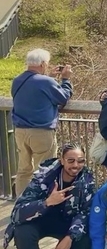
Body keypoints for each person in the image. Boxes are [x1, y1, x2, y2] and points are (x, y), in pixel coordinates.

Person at [2, 143, 94, 249]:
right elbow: (17, 212)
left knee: (88, 239)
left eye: (81, 161)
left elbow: (85, 212)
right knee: (22, 233)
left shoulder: (87, 179)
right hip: (40, 221)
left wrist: (70, 237)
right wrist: (47, 202)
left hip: (65, 221)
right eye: (71, 161)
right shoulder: (43, 177)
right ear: (62, 160)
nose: (76, 165)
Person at [11, 48, 73, 196]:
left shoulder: (17, 80)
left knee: (24, 170)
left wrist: (50, 77)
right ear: (43, 64)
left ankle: (21, 204)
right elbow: (63, 97)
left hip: (20, 131)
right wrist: (66, 79)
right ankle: (41, 203)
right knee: (45, 169)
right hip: (41, 132)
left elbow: (33, 94)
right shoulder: (45, 82)